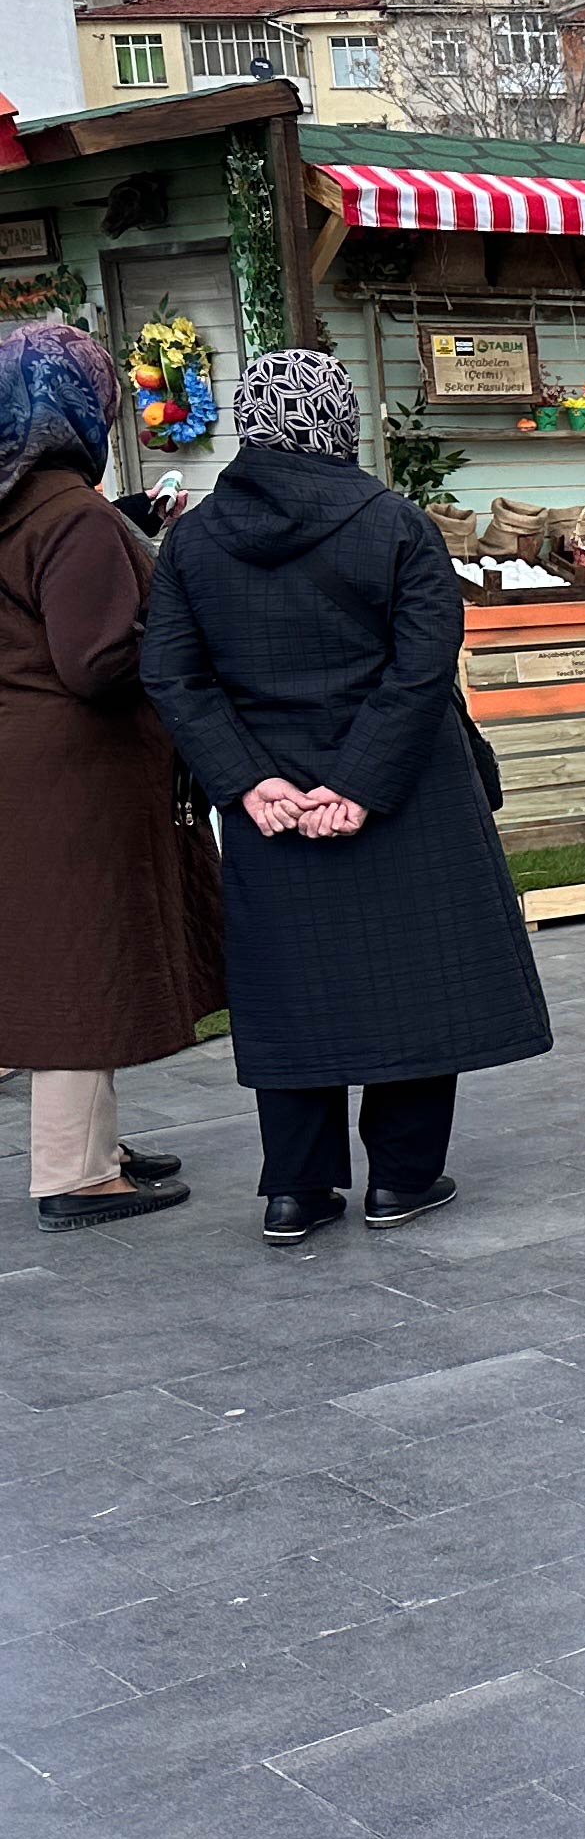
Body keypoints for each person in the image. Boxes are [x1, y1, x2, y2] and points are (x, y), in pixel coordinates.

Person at [139, 349, 548, 1242]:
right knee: (414, 980)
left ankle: (297, 1190)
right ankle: (401, 1182)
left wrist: (248, 780)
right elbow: (421, 665)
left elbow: (170, 673)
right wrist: (358, 784)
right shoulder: (396, 524)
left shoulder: (194, 541)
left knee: (290, 989)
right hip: (405, 791)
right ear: (337, 418)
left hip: (271, 807)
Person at [0, 323, 222, 1231]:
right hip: (74, 774)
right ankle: (74, 1171)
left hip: (24, 759)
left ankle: (93, 1146)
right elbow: (95, 662)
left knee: (54, 953)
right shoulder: (70, 514)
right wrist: (176, 637)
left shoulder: (12, 501)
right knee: (80, 962)